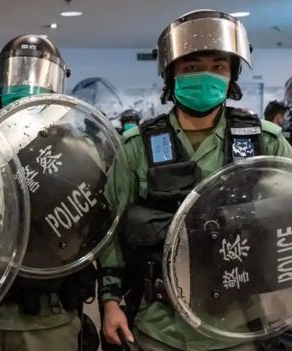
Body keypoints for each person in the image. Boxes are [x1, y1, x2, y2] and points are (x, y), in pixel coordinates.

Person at [98, 10, 292, 351]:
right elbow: (111, 231)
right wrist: (110, 301)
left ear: (231, 74)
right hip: (159, 325)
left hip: (240, 325)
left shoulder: (267, 143)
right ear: (171, 74)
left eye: (218, 66)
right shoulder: (137, 148)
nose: (205, 75)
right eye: (191, 67)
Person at [0, 34, 100, 351]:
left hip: (50, 313)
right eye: (15, 76)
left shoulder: (79, 149)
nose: (25, 86)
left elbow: (96, 227)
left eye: (37, 75)